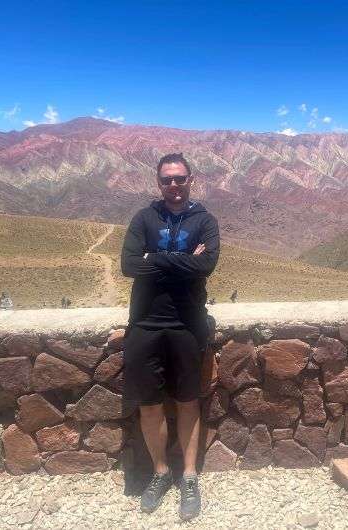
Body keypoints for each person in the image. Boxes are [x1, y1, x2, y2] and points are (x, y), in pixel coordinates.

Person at [120, 152, 220, 521]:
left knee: (187, 401)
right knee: (148, 404)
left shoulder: (205, 221)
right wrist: (181, 261)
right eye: (166, 180)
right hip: (145, 324)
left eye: (179, 178)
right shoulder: (143, 217)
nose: (173, 185)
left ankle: (189, 477)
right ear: (158, 182)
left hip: (187, 325)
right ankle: (161, 473)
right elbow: (129, 265)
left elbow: (206, 265)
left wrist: (154, 258)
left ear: (191, 179)